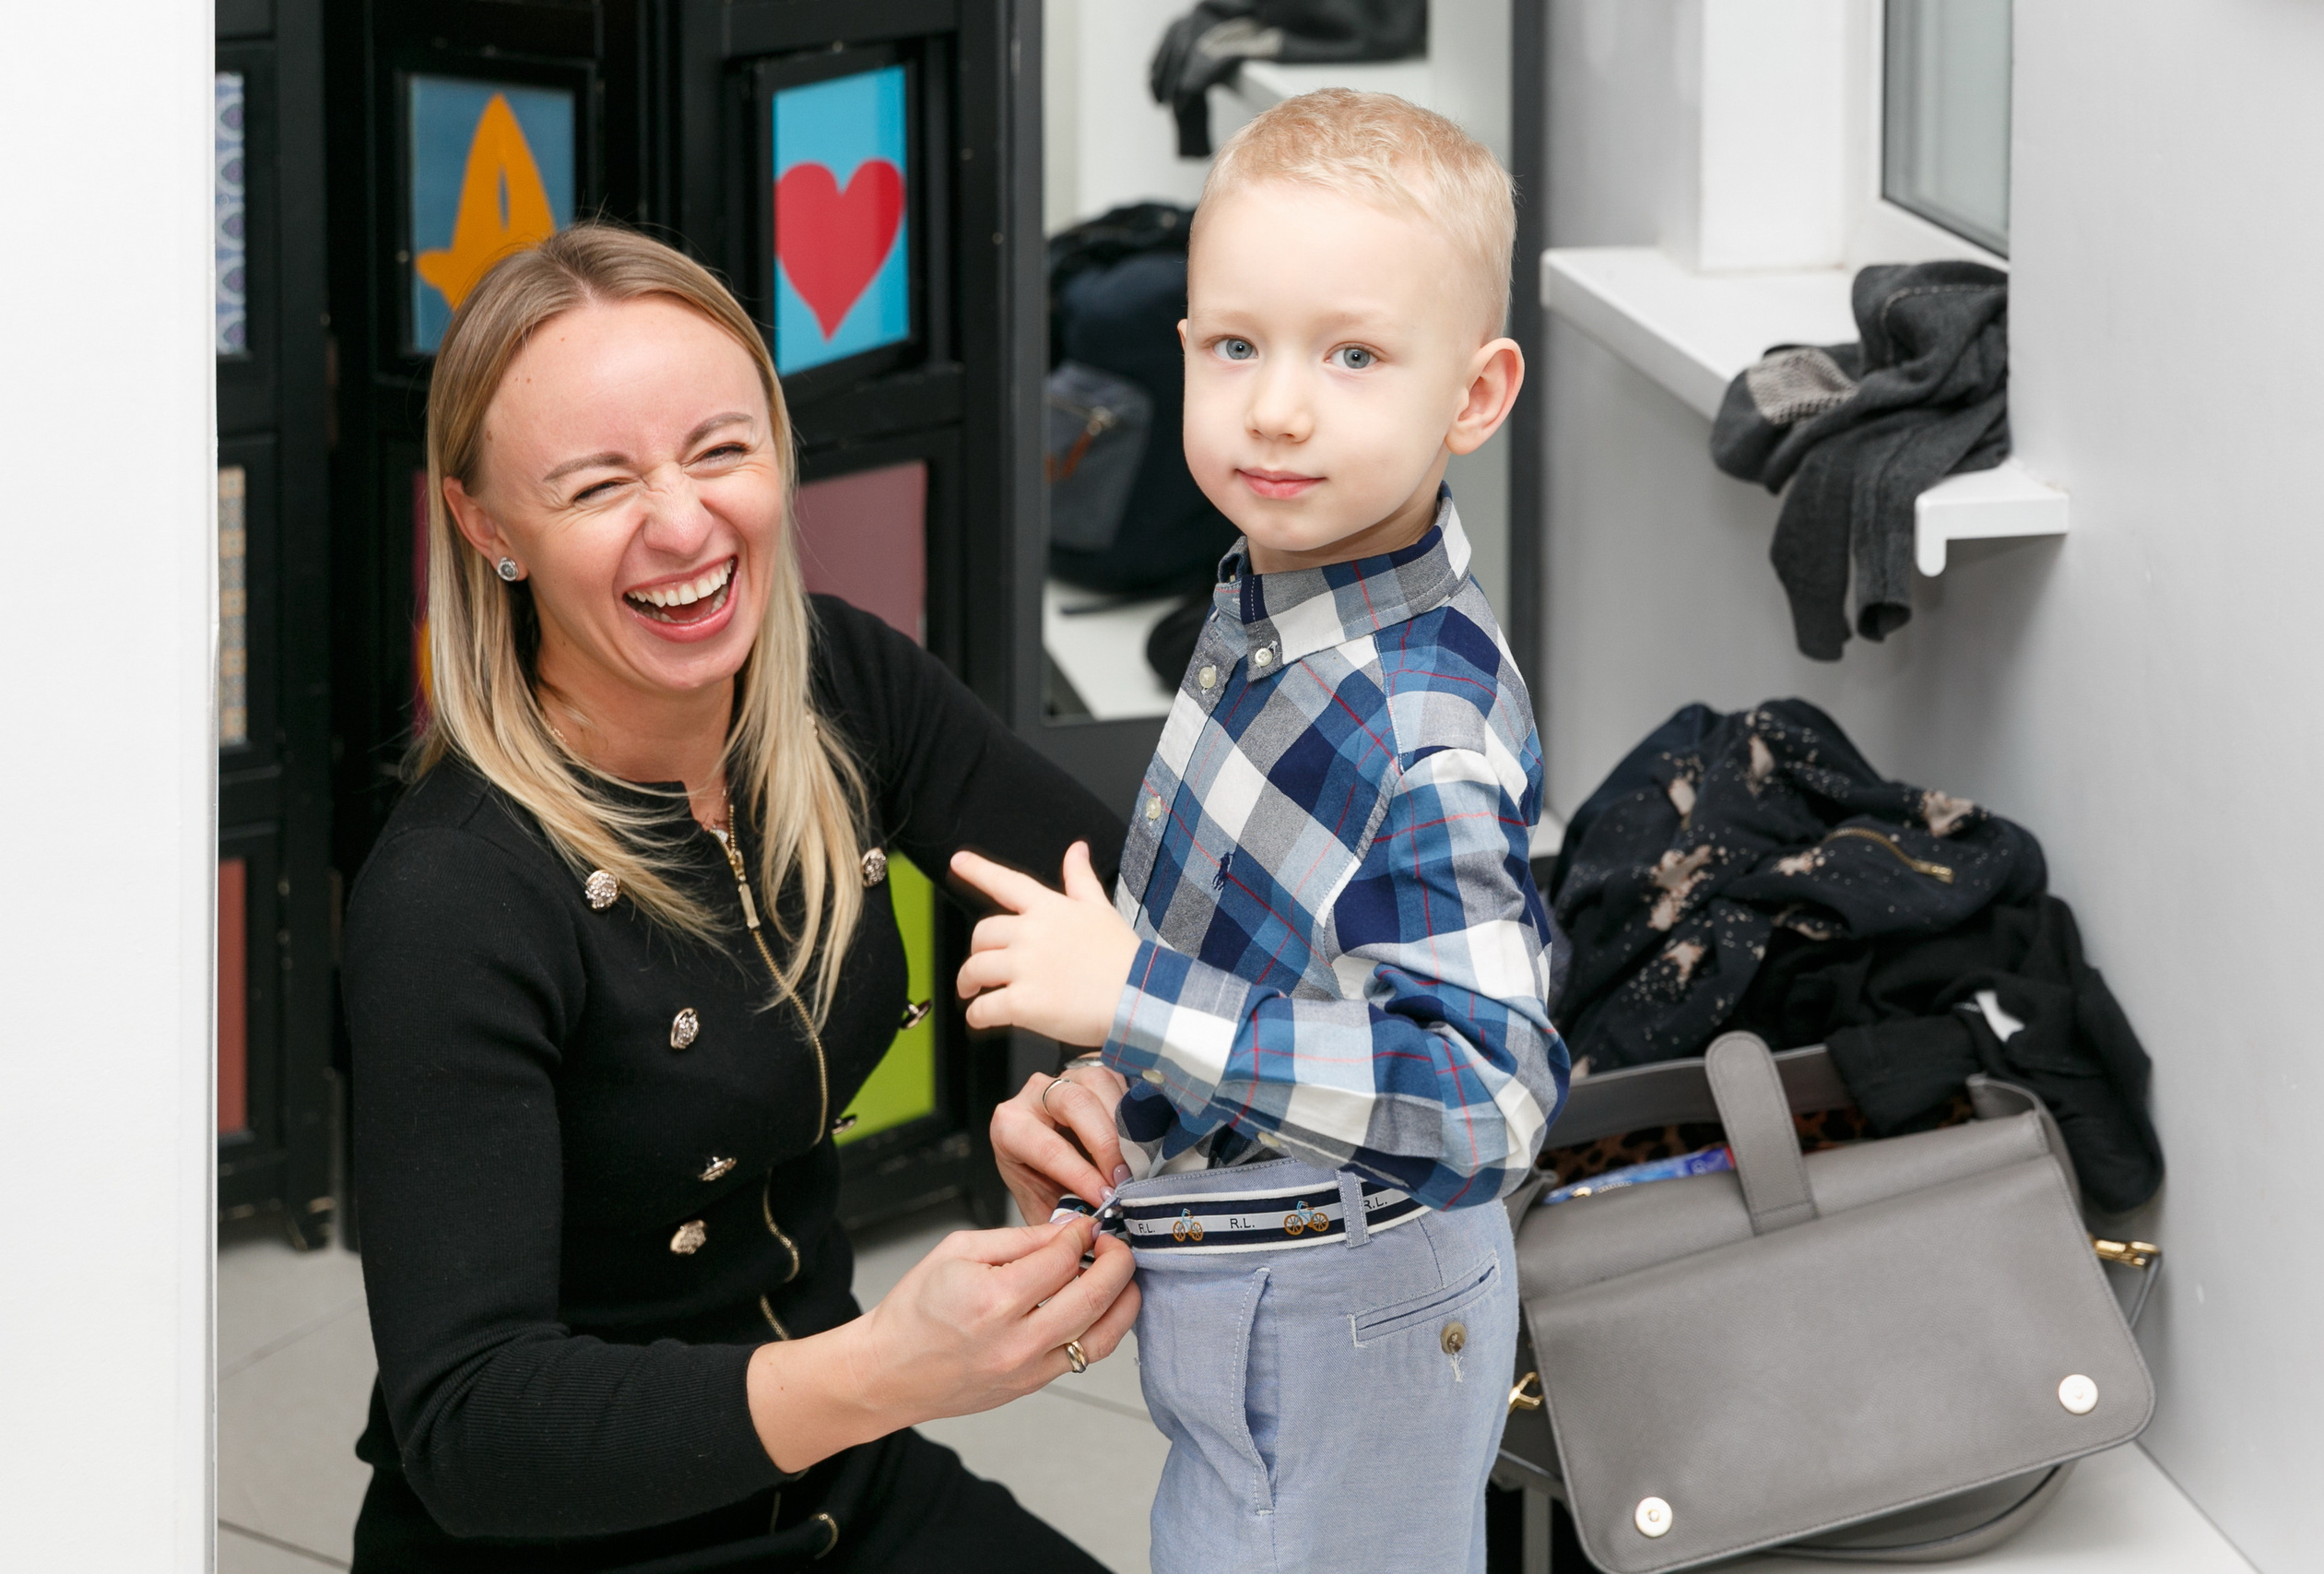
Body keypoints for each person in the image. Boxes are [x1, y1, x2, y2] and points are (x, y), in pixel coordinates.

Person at [339, 222, 1138, 1573]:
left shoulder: (841, 688)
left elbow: (1130, 902)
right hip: (569, 1547)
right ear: (487, 528)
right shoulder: (451, 896)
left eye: (720, 449)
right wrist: (886, 1367)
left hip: (841, 1487)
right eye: (598, 485)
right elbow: (473, 1430)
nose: (683, 522)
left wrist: (1106, 1062)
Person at [959, 91, 1570, 1573]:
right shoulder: (1268, 603)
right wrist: (1121, 1083)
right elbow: (1265, 951)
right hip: (1260, 1284)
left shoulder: (1418, 727)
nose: (1277, 406)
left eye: (1354, 355)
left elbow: (1486, 1101)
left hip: (1353, 1318)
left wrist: (1135, 1002)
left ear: (1476, 397)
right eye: (1237, 346)